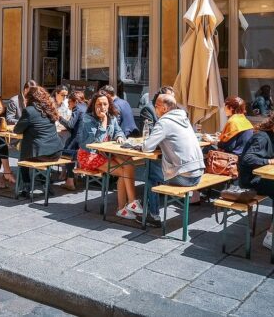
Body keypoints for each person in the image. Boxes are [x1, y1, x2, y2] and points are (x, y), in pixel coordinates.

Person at [78, 90, 142, 220]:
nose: (102, 107)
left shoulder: (112, 117)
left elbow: (119, 131)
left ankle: (129, 204)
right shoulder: (87, 119)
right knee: (123, 171)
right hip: (89, 155)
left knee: (128, 162)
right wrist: (103, 121)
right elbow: (94, 143)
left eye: (105, 104)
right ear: (93, 105)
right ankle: (126, 205)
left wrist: (119, 136)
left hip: (106, 153)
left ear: (109, 105)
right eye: (99, 104)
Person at [142, 94, 205, 187]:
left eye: (156, 106)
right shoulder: (184, 119)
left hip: (185, 177)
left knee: (149, 171)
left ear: (164, 108)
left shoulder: (164, 122)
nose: (154, 108)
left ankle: (150, 202)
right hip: (198, 173)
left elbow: (146, 148)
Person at [13, 86, 64, 196]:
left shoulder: (29, 111)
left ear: (30, 98)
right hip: (56, 152)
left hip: (42, 153)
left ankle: (26, 185)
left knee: (25, 152)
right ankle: (45, 183)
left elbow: (17, 130)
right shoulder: (50, 109)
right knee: (33, 149)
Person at [139, 86, 175, 226]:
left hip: (181, 172)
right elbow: (151, 133)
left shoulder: (171, 116)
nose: (171, 103)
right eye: (168, 100)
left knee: (150, 175)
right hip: (190, 169)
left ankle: (153, 215)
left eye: (172, 100)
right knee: (151, 170)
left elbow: (152, 142)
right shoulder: (150, 110)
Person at [239, 114, 274, 250]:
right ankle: (270, 236)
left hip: (263, 177)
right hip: (250, 180)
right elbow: (247, 159)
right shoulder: (261, 137)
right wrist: (268, 161)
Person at [58, 90, 87, 191]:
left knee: (66, 155)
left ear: (74, 101)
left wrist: (60, 118)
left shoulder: (77, 108)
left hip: (76, 139)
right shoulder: (85, 107)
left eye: (69, 101)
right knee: (71, 151)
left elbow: (70, 125)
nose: (68, 103)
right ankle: (75, 176)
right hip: (84, 139)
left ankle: (70, 181)